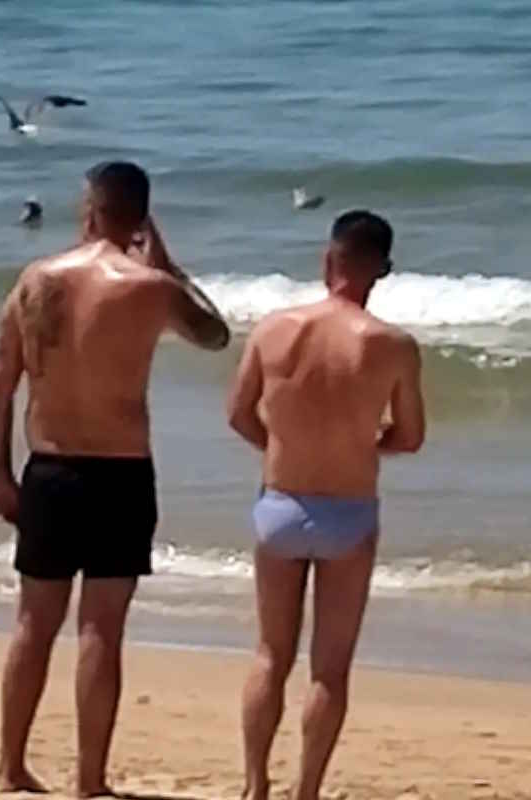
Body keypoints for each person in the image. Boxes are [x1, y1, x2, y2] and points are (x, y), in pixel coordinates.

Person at [0, 161, 230, 796]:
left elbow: (1, 385)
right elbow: (215, 335)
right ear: (142, 218)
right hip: (121, 475)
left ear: (89, 209)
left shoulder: (37, 280)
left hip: (49, 470)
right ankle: (89, 779)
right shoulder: (151, 287)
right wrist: (169, 264)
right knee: (102, 629)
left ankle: (11, 766)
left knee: (33, 623)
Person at [226, 210, 425, 800]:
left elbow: (238, 414)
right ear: (382, 270)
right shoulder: (392, 345)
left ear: (328, 258)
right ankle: (306, 791)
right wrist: (360, 444)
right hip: (349, 512)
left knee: (270, 654)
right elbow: (411, 437)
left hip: (280, 504)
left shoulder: (273, 329)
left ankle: (255, 786)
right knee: (330, 670)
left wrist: (282, 447)